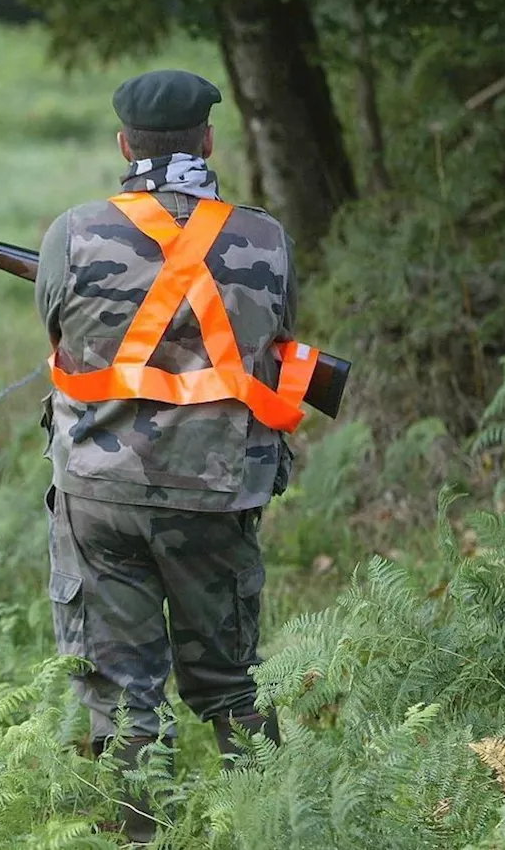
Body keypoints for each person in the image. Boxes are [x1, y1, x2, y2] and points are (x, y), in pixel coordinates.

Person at [35, 69, 305, 842]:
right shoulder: (265, 237)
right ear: (208, 140)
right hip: (216, 495)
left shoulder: (74, 232)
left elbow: (60, 341)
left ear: (125, 144)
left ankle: (137, 837)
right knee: (232, 685)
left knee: (120, 699)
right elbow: (273, 336)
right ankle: (268, 829)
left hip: (100, 494)